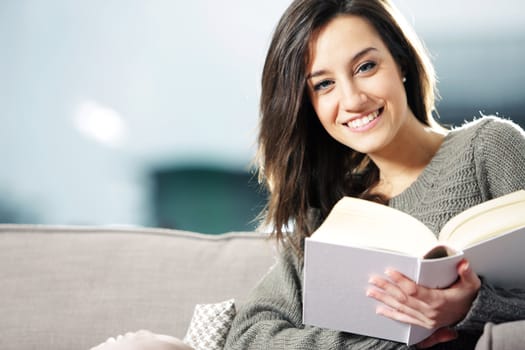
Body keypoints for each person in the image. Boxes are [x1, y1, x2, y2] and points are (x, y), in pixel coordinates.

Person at [224, 0, 525, 349]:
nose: (352, 100)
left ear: (400, 61)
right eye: (323, 85)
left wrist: (471, 307)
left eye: (365, 66)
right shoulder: (329, 210)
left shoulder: (489, 148)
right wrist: (388, 340)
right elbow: (246, 338)